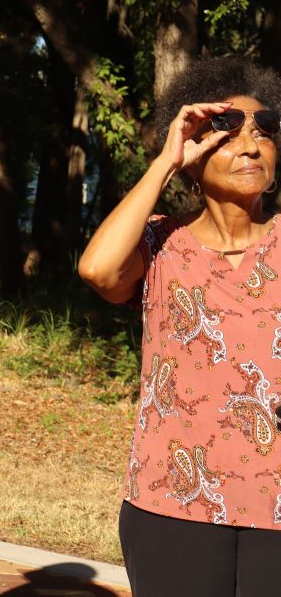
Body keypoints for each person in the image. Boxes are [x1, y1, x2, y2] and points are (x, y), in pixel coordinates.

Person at [79, 56, 281, 597]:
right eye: (229, 133)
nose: (251, 146)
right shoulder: (159, 243)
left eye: (264, 131)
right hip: (172, 505)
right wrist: (166, 162)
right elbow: (97, 270)